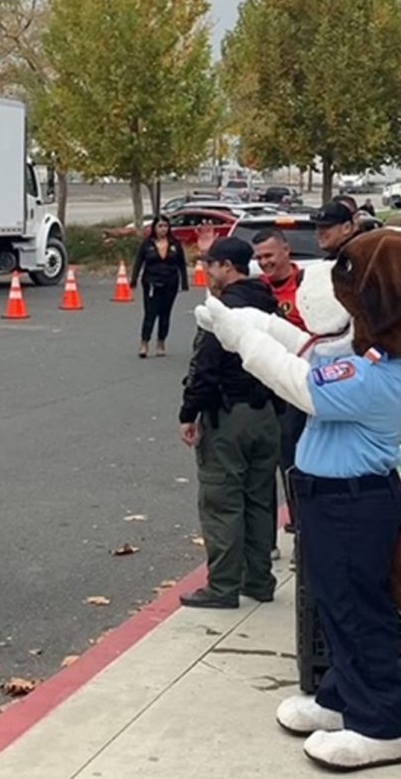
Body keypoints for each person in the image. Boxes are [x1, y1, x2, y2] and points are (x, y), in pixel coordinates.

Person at [196, 228, 401, 771]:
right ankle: (340, 698)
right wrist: (253, 322)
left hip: (351, 504)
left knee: (357, 611)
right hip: (334, 501)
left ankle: (381, 726)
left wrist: (239, 338)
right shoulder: (371, 359)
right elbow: (311, 348)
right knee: (336, 606)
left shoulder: (380, 378)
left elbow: (298, 381)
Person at [178, 237, 281, 608]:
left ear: (226, 267)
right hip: (266, 412)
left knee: (222, 502)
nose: (207, 272)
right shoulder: (269, 304)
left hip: (228, 413)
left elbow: (205, 367)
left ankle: (222, 586)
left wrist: (188, 413)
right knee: (258, 500)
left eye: (210, 265)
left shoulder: (220, 310)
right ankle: (258, 579)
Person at [253, 228, 307, 538]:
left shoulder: (308, 287)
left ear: (286, 251)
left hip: (296, 385)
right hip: (263, 386)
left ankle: (301, 523)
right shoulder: (255, 290)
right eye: (259, 257)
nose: (264, 263)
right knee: (263, 463)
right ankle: (266, 538)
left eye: (269, 256)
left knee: (292, 458)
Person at [130, 214, 189, 357]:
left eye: (165, 226)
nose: (163, 229)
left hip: (171, 282)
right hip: (151, 282)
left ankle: (161, 341)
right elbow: (139, 262)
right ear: (154, 228)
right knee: (150, 313)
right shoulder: (147, 244)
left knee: (165, 313)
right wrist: (134, 279)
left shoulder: (175, 244)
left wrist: (184, 282)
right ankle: (144, 342)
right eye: (160, 226)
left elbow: (181, 264)